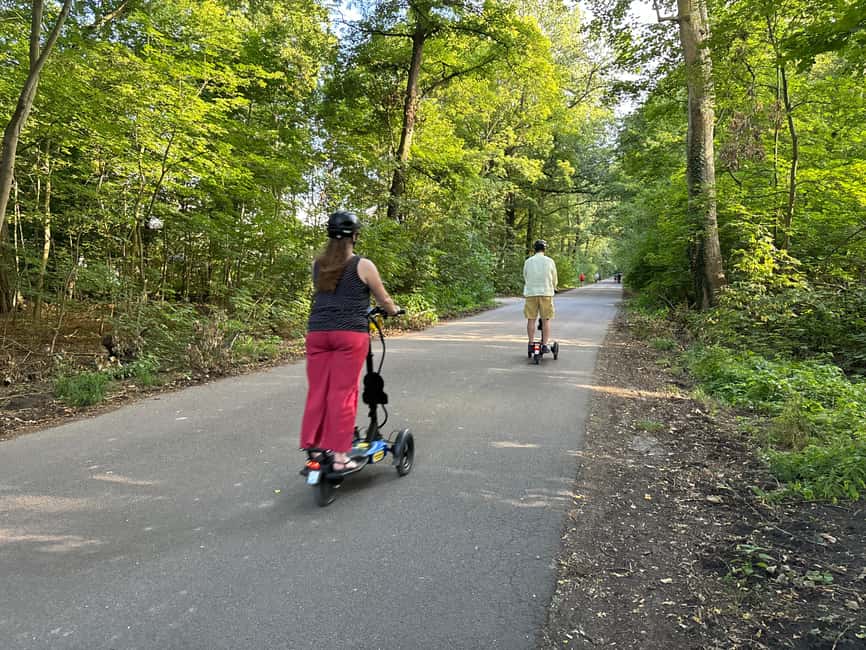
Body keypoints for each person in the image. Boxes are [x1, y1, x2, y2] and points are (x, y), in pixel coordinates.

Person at [299, 210, 400, 471]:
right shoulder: (363, 265)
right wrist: (394, 311)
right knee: (343, 394)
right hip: (349, 335)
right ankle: (341, 456)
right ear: (355, 236)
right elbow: (383, 299)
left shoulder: (318, 264)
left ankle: (316, 444)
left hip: (317, 333)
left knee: (318, 390)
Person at [523, 239, 558, 354]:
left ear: (535, 249)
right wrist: (554, 286)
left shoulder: (528, 261)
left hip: (531, 293)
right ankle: (544, 344)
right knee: (545, 320)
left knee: (531, 319)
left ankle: (531, 343)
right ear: (544, 249)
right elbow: (554, 278)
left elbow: (525, 276)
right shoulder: (550, 261)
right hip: (546, 293)